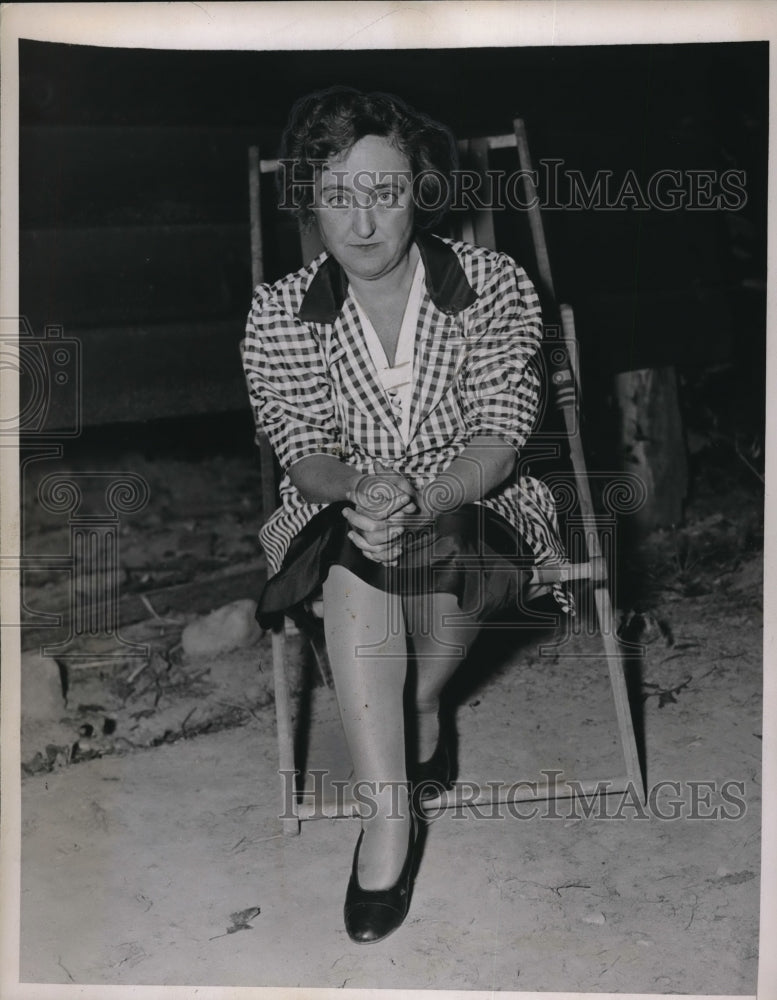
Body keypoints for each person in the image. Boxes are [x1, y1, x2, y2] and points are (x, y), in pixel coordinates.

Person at [242, 87, 570, 944]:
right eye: (337, 196)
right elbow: (301, 444)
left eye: (383, 193)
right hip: (336, 505)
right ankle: (388, 819)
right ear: (309, 200)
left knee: (440, 559)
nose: (359, 223)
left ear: (420, 193)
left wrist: (423, 494)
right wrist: (359, 491)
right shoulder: (280, 312)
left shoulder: (492, 284)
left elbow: (500, 433)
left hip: (473, 499)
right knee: (358, 560)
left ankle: (422, 703)